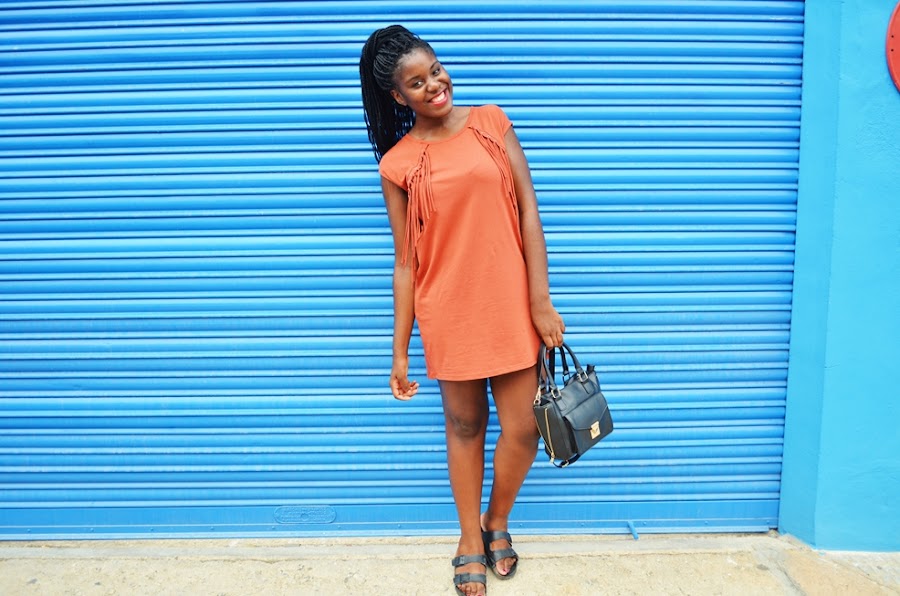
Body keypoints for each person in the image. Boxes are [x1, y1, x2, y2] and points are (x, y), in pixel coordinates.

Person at [359, 25, 565, 596]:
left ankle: (496, 519)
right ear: (398, 96)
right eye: (416, 83)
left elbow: (528, 211)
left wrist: (540, 299)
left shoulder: (491, 123)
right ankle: (469, 537)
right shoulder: (399, 164)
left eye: (435, 70)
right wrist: (399, 351)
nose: (434, 85)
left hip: (510, 303)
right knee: (466, 424)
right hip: (448, 309)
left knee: (523, 428)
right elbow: (406, 261)